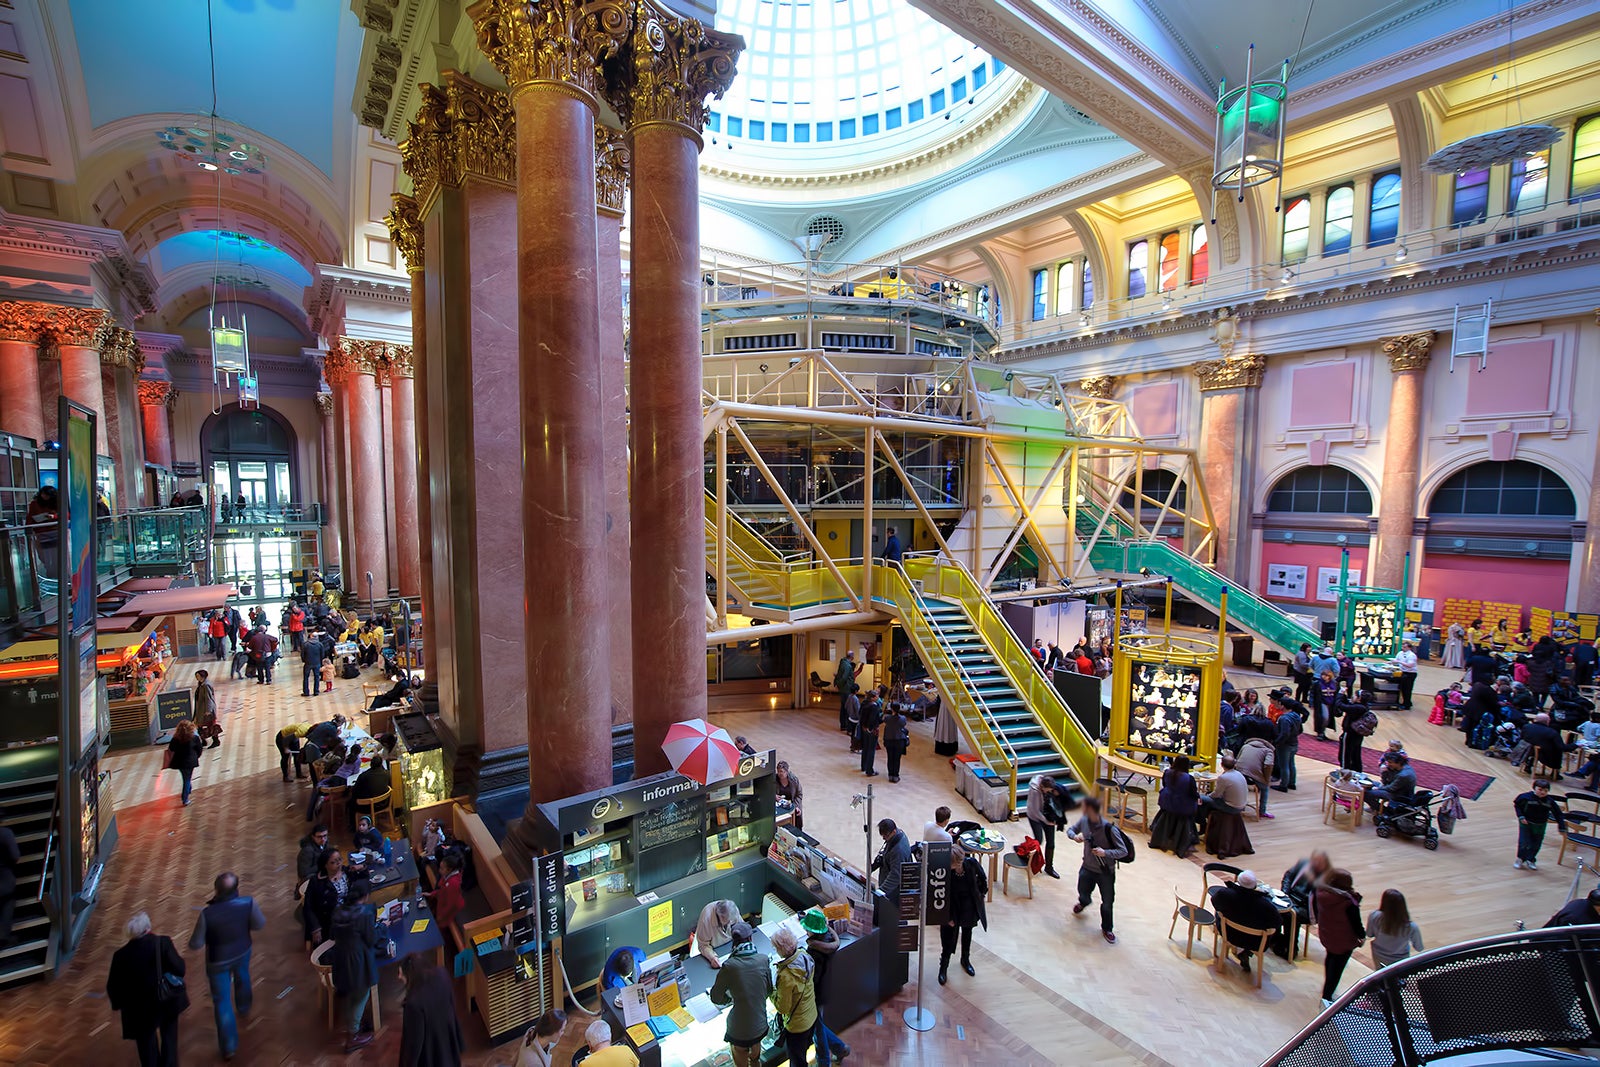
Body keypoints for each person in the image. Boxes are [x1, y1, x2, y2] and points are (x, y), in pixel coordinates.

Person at [187, 872, 265, 1060]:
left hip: (217, 960)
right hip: (242, 951)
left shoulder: (207, 914)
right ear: (236, 889)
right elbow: (259, 924)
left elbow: (196, 944)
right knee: (243, 977)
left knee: (222, 1002)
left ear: (216, 890)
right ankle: (244, 1007)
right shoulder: (248, 903)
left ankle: (228, 1047)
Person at [107, 911, 188, 1067]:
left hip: (138, 1010)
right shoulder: (162, 943)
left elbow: (113, 986)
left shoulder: (120, 956)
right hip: (165, 1001)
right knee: (169, 1039)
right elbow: (180, 968)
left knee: (146, 1047)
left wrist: (119, 1005)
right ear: (148, 928)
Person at [707, 922, 772, 1067]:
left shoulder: (729, 966)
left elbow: (716, 997)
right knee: (755, 1058)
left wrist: (731, 998)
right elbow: (768, 990)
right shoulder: (763, 959)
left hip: (738, 1030)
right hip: (760, 1024)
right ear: (750, 939)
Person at [1067, 796, 1127, 944]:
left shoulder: (1109, 829)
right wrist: (1074, 836)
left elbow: (1123, 851)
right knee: (1082, 889)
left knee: (1107, 901)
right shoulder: (1084, 821)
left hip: (1105, 872)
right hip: (1087, 866)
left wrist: (1105, 852)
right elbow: (1070, 830)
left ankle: (1107, 928)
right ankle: (1084, 902)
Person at [331, 884, 382, 1051]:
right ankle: (352, 1035)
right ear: (365, 896)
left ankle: (352, 1026)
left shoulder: (338, 911)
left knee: (352, 993)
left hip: (340, 958)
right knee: (362, 993)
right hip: (358, 960)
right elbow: (371, 939)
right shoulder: (364, 914)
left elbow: (333, 934)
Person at [1208, 871, 1284, 973]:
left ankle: (1240, 949)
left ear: (1238, 882)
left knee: (1221, 913)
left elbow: (1215, 902)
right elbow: (1277, 923)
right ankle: (1244, 951)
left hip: (1229, 933)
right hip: (1255, 942)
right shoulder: (1266, 906)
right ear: (1255, 886)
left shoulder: (1225, 894)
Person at [802, 909, 851, 1065]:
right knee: (818, 1024)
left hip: (815, 994)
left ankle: (824, 1061)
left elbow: (812, 978)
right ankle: (839, 1048)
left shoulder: (814, 952)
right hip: (824, 991)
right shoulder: (828, 939)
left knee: (817, 1029)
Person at [398, 953, 464, 1067]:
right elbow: (451, 1003)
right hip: (448, 1040)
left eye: (400, 973)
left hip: (432, 1052)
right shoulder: (442, 974)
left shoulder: (413, 1004)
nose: (399, 977)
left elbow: (414, 1042)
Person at [1314, 868, 1365, 1007]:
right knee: (1337, 969)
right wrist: (1362, 936)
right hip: (1343, 941)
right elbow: (1356, 923)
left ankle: (1327, 990)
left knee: (1330, 958)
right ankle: (1327, 997)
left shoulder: (1321, 893)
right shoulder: (1348, 902)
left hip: (1327, 935)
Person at [938, 843, 988, 983]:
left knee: (967, 934)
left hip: (969, 907)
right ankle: (943, 967)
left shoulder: (971, 864)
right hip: (953, 909)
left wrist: (981, 895)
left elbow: (983, 879)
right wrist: (947, 917)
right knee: (948, 939)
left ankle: (965, 960)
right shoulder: (946, 872)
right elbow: (941, 895)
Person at [770, 927, 817, 1066]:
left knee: (797, 1061)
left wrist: (771, 993)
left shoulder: (786, 977)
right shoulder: (804, 955)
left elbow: (783, 1008)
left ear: (780, 949)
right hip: (811, 1015)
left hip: (797, 1026)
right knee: (803, 1051)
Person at [305, 848, 367, 944]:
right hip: (330, 921)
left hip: (349, 913)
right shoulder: (316, 882)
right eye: (333, 862)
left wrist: (362, 868)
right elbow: (308, 907)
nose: (339, 864)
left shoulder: (346, 871)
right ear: (325, 865)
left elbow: (364, 882)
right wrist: (315, 928)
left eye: (340, 860)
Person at [1149, 756, 1199, 858]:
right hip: (1182, 806)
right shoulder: (1189, 778)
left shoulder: (1167, 772)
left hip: (1166, 802)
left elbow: (1164, 784)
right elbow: (1193, 793)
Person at [1513, 778, 1568, 870]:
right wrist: (1521, 816)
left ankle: (1531, 859)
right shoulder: (1525, 797)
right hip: (1526, 824)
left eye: (1546, 791)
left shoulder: (1550, 801)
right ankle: (1520, 858)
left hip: (1540, 825)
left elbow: (1558, 814)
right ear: (1534, 788)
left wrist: (1561, 827)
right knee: (1524, 842)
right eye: (1540, 789)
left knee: (1536, 844)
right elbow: (1517, 805)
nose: (1543, 792)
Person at [1365, 888, 1424, 968]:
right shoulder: (1411, 927)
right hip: (1400, 961)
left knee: (1381, 977)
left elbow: (1369, 934)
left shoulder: (1373, 915)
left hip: (1378, 956)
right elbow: (1419, 948)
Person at [1024, 774, 1065, 878]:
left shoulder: (1050, 786)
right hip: (1034, 816)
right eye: (1047, 790)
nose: (1049, 792)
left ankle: (1049, 867)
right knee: (1038, 841)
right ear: (1042, 787)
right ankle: (1024, 853)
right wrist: (1046, 821)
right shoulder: (1034, 791)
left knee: (1051, 842)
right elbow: (1035, 811)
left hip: (1047, 814)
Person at [1196, 754, 1247, 836]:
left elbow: (1216, 795)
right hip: (1241, 805)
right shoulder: (1239, 774)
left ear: (1221, 765)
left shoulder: (1224, 777)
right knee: (1205, 800)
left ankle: (1202, 824)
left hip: (1230, 807)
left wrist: (1207, 797)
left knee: (1200, 799)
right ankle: (1204, 824)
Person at [1281, 849, 1332, 929]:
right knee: (1274, 909)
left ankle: (1291, 941)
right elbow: (1288, 876)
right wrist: (1285, 894)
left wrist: (1315, 882)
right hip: (1291, 898)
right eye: (1315, 861)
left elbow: (1322, 900)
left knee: (1289, 914)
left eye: (1320, 862)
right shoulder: (1303, 863)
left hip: (1308, 908)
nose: (1317, 864)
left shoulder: (1328, 878)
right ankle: (1276, 938)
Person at [872, 818, 912, 903]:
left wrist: (881, 891)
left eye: (886, 836)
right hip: (890, 889)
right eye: (882, 835)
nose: (884, 838)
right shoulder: (896, 835)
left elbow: (895, 875)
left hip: (893, 892)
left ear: (893, 832)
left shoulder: (899, 850)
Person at [1235, 736, 1276, 818]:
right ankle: (1262, 811)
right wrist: (1266, 779)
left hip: (1239, 774)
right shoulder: (1268, 751)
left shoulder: (1245, 746)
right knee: (1265, 789)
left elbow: (1237, 759)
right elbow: (1268, 764)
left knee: (1243, 786)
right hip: (1254, 776)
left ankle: (1240, 805)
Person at [166, 719, 204, 807]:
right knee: (187, 779)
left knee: (186, 777)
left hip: (179, 762)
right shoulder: (194, 738)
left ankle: (188, 789)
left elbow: (171, 749)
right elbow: (199, 749)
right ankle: (185, 799)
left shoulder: (175, 739)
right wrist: (196, 756)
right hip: (190, 762)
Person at [693, 899, 740, 968]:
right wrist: (712, 957)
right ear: (720, 916)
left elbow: (741, 929)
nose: (730, 923)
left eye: (731, 921)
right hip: (715, 949)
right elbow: (703, 945)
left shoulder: (733, 911)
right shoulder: (706, 918)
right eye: (727, 921)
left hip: (731, 947)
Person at [426, 851, 466, 930]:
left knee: (441, 926)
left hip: (452, 908)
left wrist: (441, 916)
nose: (439, 870)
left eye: (441, 868)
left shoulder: (453, 884)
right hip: (445, 900)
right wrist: (431, 894)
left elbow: (450, 905)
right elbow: (442, 890)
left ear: (449, 870)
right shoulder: (447, 876)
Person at [1272, 697, 1304, 792]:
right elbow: (1301, 730)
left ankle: (1283, 785)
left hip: (1285, 745)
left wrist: (1277, 742)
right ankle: (1292, 783)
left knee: (1284, 765)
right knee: (1291, 763)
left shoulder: (1284, 718)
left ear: (1283, 706)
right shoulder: (1296, 715)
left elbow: (1284, 734)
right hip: (1294, 743)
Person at [1339, 694, 1376, 773]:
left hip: (1350, 733)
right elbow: (1348, 705)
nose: (1353, 696)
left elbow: (1340, 705)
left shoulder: (1358, 707)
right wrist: (1344, 696)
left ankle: (1345, 772)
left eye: (1355, 695)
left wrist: (1340, 694)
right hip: (1357, 734)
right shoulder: (1363, 706)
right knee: (1355, 753)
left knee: (1345, 754)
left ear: (1359, 699)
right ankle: (1357, 772)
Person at [0, 814, 16, 950]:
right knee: (7, 904)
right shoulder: (5, 834)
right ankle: (4, 936)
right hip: (4, 877)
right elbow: (15, 855)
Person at [883, 703, 909, 782]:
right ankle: (895, 775)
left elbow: (884, 720)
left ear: (891, 709)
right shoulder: (903, 718)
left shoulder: (887, 718)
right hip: (899, 740)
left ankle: (890, 774)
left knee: (890, 758)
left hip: (889, 740)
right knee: (897, 759)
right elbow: (904, 725)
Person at [194, 670, 220, 749]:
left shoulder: (206, 685)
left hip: (206, 710)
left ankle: (215, 741)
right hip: (201, 709)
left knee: (210, 726)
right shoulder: (201, 684)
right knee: (200, 725)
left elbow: (209, 698)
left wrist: (208, 710)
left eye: (198, 676)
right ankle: (203, 741)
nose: (196, 677)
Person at [774, 761, 803, 831]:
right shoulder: (774, 779)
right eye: (778, 771)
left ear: (787, 771)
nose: (780, 774)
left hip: (792, 804)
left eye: (782, 771)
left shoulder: (794, 780)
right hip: (779, 805)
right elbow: (767, 790)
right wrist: (774, 796)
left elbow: (799, 794)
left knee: (797, 819)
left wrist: (796, 806)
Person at [857, 691, 881, 776]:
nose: (878, 697)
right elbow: (873, 719)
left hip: (864, 728)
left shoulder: (864, 703)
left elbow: (860, 714)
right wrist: (870, 728)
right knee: (871, 750)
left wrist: (864, 726)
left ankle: (863, 766)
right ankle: (869, 770)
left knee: (865, 748)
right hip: (872, 730)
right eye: (877, 696)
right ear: (872, 698)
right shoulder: (874, 707)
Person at [835, 650, 859, 733]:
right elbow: (844, 677)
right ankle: (847, 726)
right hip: (846, 689)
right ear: (852, 657)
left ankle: (843, 725)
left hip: (843, 689)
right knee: (848, 708)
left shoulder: (842, 662)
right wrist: (839, 684)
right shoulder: (848, 666)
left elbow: (839, 674)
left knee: (843, 707)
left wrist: (837, 684)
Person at [301, 630, 328, 697]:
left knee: (306, 677)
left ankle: (306, 692)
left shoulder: (305, 644)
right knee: (316, 677)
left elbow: (302, 654)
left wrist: (304, 660)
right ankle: (316, 691)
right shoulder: (320, 644)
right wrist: (320, 661)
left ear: (310, 636)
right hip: (317, 663)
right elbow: (322, 654)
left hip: (308, 663)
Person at [1393, 641, 1419, 709]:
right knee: (1402, 688)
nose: (1403, 648)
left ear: (1409, 648)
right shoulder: (1400, 653)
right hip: (1402, 672)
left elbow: (1410, 665)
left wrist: (1399, 662)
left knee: (1407, 689)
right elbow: (1396, 660)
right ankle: (1403, 702)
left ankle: (1407, 704)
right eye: (1402, 647)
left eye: (1405, 647)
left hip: (1410, 673)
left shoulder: (1412, 655)